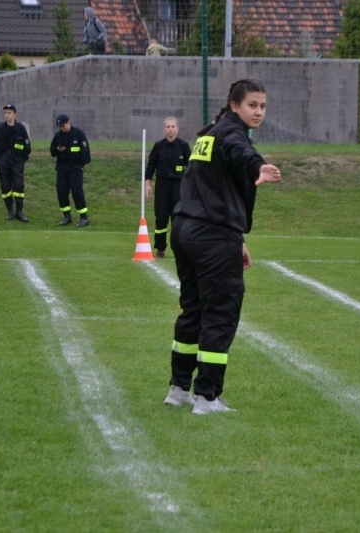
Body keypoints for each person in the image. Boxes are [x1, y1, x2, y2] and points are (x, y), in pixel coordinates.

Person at [163, 78, 281, 415]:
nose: (258, 112)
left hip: (188, 230)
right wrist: (258, 164)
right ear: (234, 106)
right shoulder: (231, 134)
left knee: (193, 310)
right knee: (220, 313)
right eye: (251, 105)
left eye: (262, 106)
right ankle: (207, 397)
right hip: (211, 235)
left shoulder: (208, 134)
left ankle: (179, 389)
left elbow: (211, 190)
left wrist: (237, 237)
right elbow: (240, 152)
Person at [145, 117, 192, 258]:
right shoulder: (158, 146)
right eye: (168, 127)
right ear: (164, 129)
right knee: (161, 217)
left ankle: (179, 249)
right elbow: (151, 166)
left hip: (178, 186)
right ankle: (160, 248)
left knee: (177, 219)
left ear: (177, 128)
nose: (170, 129)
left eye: (173, 126)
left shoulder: (184, 146)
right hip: (162, 185)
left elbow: (191, 168)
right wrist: (147, 183)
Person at [0, 104, 31, 222]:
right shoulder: (0, 129)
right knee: (5, 186)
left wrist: (21, 159)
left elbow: (27, 146)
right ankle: (10, 211)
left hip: (17, 161)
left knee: (19, 186)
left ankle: (19, 212)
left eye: (9, 113)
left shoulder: (20, 129)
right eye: (5, 113)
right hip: (3, 161)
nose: (7, 115)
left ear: (15, 114)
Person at [49, 114, 91, 227]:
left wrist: (81, 165)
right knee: (61, 192)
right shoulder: (58, 136)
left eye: (63, 125)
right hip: (62, 169)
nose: (62, 128)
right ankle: (67, 216)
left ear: (68, 122)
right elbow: (52, 151)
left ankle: (84, 217)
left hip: (75, 169)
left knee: (77, 192)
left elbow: (86, 152)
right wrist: (58, 149)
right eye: (60, 126)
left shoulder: (79, 134)